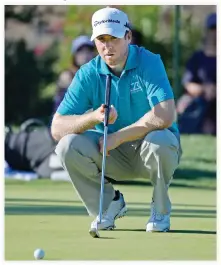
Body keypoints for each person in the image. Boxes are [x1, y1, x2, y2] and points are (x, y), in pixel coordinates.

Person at [51, 7, 181, 233]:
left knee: (161, 139)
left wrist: (117, 137)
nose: (107, 45)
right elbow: (57, 127)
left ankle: (160, 208)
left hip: (147, 148)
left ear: (128, 37)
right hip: (109, 154)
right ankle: (109, 205)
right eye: (101, 39)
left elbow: (165, 114)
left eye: (114, 38)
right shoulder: (87, 73)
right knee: (66, 146)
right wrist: (94, 117)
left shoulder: (149, 62)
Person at [177, 13, 216, 135]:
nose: (216, 33)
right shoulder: (197, 58)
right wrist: (205, 89)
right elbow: (188, 84)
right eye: (213, 29)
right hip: (202, 104)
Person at [53, 35, 96, 112]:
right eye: (81, 51)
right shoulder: (67, 76)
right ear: (74, 55)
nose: (85, 55)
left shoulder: (99, 75)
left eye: (88, 51)